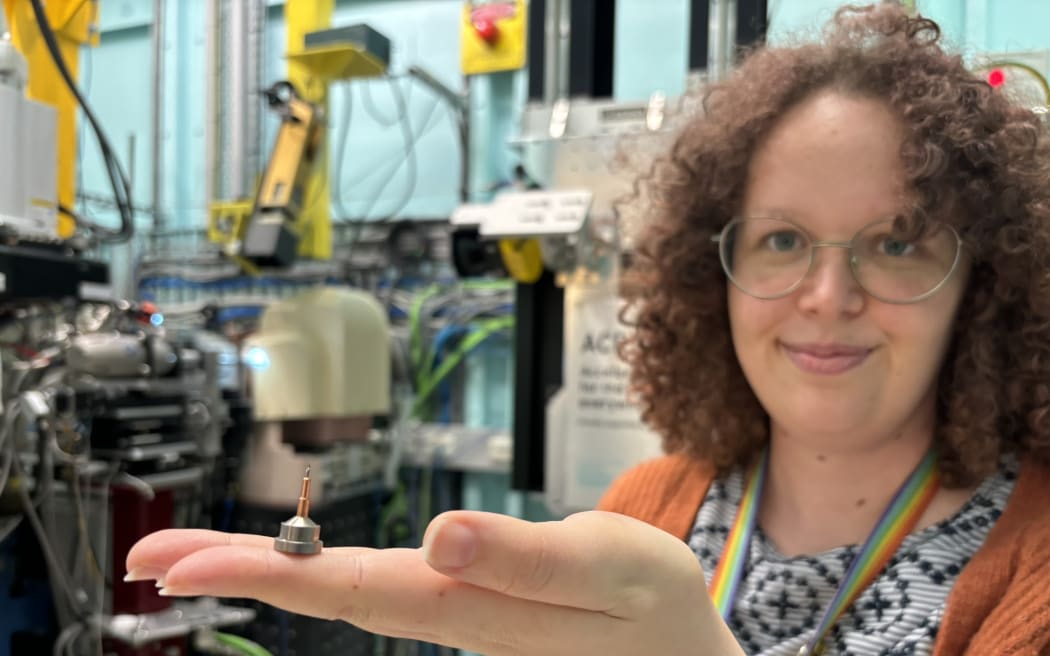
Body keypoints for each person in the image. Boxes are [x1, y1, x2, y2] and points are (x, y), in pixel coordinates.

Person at [125, 3, 1050, 654]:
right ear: (706, 270)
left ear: (984, 279)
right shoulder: (648, 505)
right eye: (780, 239)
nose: (827, 293)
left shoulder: (1033, 566)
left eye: (895, 243)